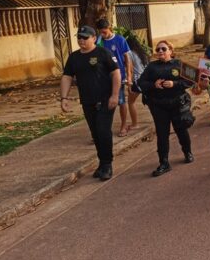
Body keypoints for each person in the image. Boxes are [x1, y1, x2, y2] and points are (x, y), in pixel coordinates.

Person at [60, 25, 120, 181]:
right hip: (87, 101)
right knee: (95, 133)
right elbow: (67, 77)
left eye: (85, 37)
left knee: (103, 130)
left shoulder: (102, 53)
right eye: (79, 37)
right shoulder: (74, 57)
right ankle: (102, 162)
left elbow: (116, 73)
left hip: (105, 99)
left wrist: (115, 95)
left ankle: (107, 164)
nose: (81, 40)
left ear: (94, 38)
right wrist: (64, 98)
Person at [138, 40, 194, 177]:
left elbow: (192, 79)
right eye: (158, 50)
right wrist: (154, 85)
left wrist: (174, 83)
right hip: (159, 105)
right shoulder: (152, 67)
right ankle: (164, 162)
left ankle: (187, 152)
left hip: (177, 104)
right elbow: (141, 82)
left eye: (163, 49)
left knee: (181, 130)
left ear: (170, 50)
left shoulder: (178, 64)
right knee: (162, 134)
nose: (160, 52)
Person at [96, 19, 133, 137]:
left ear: (109, 28)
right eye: (100, 32)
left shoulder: (120, 40)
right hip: (104, 78)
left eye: (105, 32)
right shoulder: (99, 41)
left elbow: (127, 59)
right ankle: (104, 130)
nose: (103, 34)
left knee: (121, 101)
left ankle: (123, 126)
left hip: (119, 76)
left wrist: (129, 76)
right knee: (104, 103)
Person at [126, 37, 149, 130]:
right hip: (147, 79)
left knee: (131, 102)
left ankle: (135, 124)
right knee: (152, 103)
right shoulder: (143, 53)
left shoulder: (129, 53)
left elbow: (130, 70)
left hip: (137, 81)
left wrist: (129, 83)